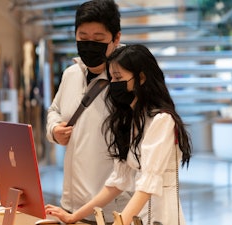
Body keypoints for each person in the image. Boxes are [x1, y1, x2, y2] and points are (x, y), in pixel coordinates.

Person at [45, 44, 192, 225]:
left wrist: (119, 222)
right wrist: (73, 216)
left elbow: (147, 186)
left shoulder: (162, 120)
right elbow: (117, 182)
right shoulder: (130, 120)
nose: (113, 85)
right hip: (137, 218)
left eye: (118, 78)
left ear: (141, 78)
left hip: (160, 218)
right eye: (111, 78)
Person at [45, 0, 131, 223]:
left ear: (116, 38)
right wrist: (54, 129)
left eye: (98, 39)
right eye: (83, 38)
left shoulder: (127, 82)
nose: (89, 45)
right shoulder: (71, 74)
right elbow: (54, 110)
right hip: (70, 205)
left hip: (111, 211)